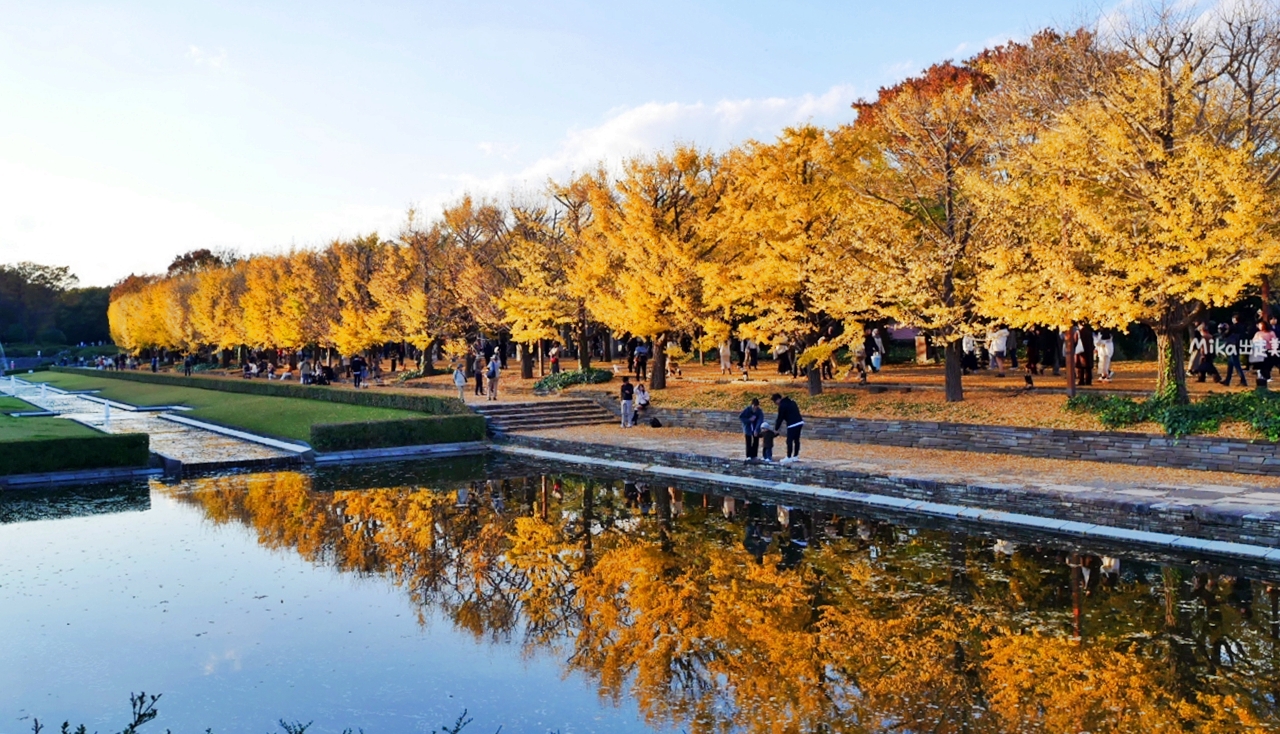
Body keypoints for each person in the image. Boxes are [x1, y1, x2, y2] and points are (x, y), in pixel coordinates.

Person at [771, 393, 804, 462]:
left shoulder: (782, 406)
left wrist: (776, 428)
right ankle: (795, 456)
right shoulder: (792, 402)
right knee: (796, 440)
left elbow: (780, 418)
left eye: (775, 402)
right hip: (800, 422)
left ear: (778, 400)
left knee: (789, 440)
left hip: (792, 424)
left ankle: (788, 457)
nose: (775, 404)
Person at [1224, 314, 1249, 387]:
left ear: (1235, 319)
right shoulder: (1243, 327)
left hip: (1231, 345)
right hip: (1238, 345)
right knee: (1230, 363)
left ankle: (1243, 380)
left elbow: (1225, 335)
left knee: (1236, 364)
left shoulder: (1232, 327)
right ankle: (1227, 380)